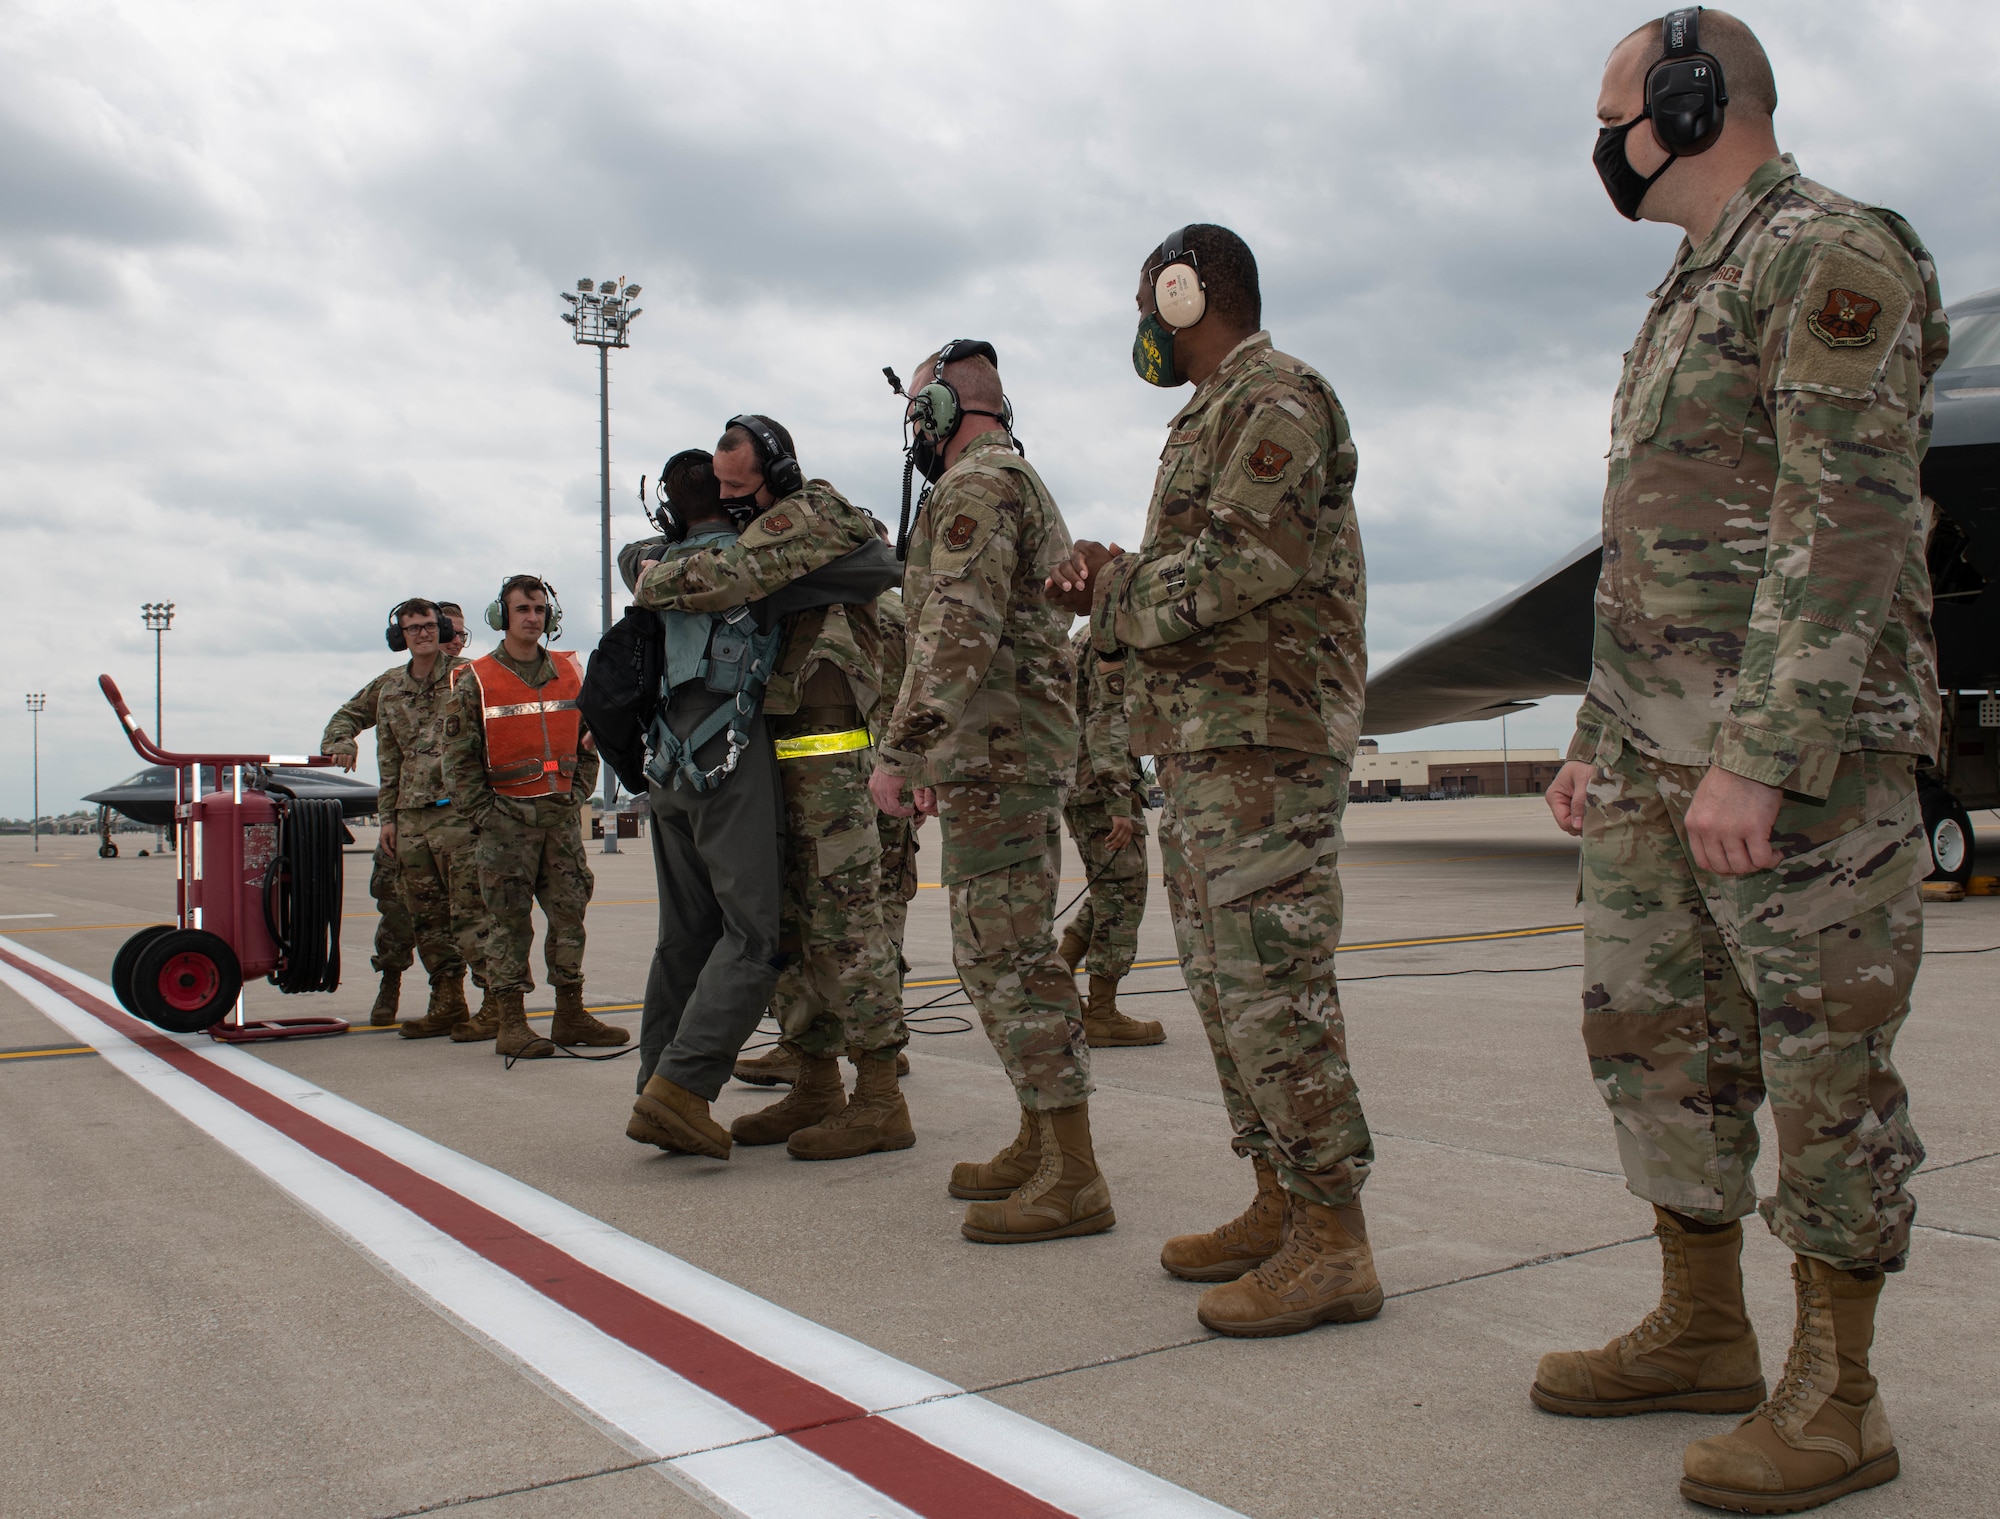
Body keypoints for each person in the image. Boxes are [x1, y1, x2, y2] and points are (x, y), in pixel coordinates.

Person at [1531, 12, 1945, 1512]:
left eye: (1615, 110)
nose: (1602, 139)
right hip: (1653, 751)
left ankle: (1841, 1396)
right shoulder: (1683, 295)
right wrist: (1596, 732)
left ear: (1695, 102)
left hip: (1796, 760)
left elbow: (1850, 520)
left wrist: (1762, 756)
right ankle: (1704, 1327)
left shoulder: (1829, 255)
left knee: (1824, 1071)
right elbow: (1654, 549)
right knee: (1658, 1049)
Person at [1048, 226, 1376, 1331]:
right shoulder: (1210, 415)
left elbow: (1247, 561)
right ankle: (1278, 1198)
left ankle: (1333, 1238)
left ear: (1187, 296)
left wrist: (1118, 586)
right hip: (1205, 741)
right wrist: (1111, 577)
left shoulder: (1275, 398)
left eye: (1148, 299)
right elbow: (1199, 567)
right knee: (1224, 986)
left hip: (1264, 743)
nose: (1140, 322)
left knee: (1272, 988)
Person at [871, 340, 1110, 1245]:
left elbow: (955, 635)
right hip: (999, 754)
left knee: (1006, 959)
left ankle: (1075, 1173)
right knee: (999, 952)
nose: (911, 433)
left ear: (941, 411)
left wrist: (901, 753)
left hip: (1001, 757)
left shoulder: (976, 489)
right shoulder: (1006, 483)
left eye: (915, 411)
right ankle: (1041, 1139)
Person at [631, 418, 911, 1162]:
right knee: (785, 929)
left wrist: (659, 578)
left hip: (825, 757)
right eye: (718, 490)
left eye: (738, 486)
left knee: (846, 925)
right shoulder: (760, 537)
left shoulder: (810, 513)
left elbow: (742, 574)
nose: (729, 500)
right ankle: (816, 1082)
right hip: (764, 754)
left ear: (778, 475)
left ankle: (881, 1096)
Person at [615, 448, 789, 1160]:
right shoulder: (765, 563)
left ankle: (657, 1079)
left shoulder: (647, 562)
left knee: (683, 932)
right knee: (753, 936)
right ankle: (681, 1088)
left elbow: (636, 550)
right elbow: (876, 565)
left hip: (665, 765)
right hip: (730, 757)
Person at [734, 514, 918, 1091]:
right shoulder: (843, 607)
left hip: (854, 785)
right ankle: (825, 1048)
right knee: (859, 918)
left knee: (854, 924)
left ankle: (870, 1050)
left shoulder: (876, 610)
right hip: (863, 781)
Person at [440, 576, 625, 1057]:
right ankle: (512, 1023)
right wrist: (488, 814)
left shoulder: (568, 672)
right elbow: (457, 761)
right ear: (502, 617)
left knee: (570, 917)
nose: (533, 618)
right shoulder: (476, 679)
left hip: (559, 817)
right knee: (508, 923)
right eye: (523, 609)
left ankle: (569, 1014)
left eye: (540, 609)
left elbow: (590, 740)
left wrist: (578, 792)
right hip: (506, 823)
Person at [322, 601, 463, 1029]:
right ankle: (393, 982)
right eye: (414, 628)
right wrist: (341, 741)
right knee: (402, 912)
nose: (428, 635)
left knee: (472, 915)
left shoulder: (469, 678)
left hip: (459, 816)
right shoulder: (388, 686)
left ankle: (466, 1002)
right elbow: (346, 715)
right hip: (405, 819)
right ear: (401, 636)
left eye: (434, 628)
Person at [1058, 623, 1163, 1047]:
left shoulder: (1088, 634)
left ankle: (1060, 978)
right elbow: (1108, 720)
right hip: (1100, 787)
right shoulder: (1113, 637)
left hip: (1083, 780)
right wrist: (1118, 801)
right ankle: (1101, 1012)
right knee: (1124, 898)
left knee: (1110, 893)